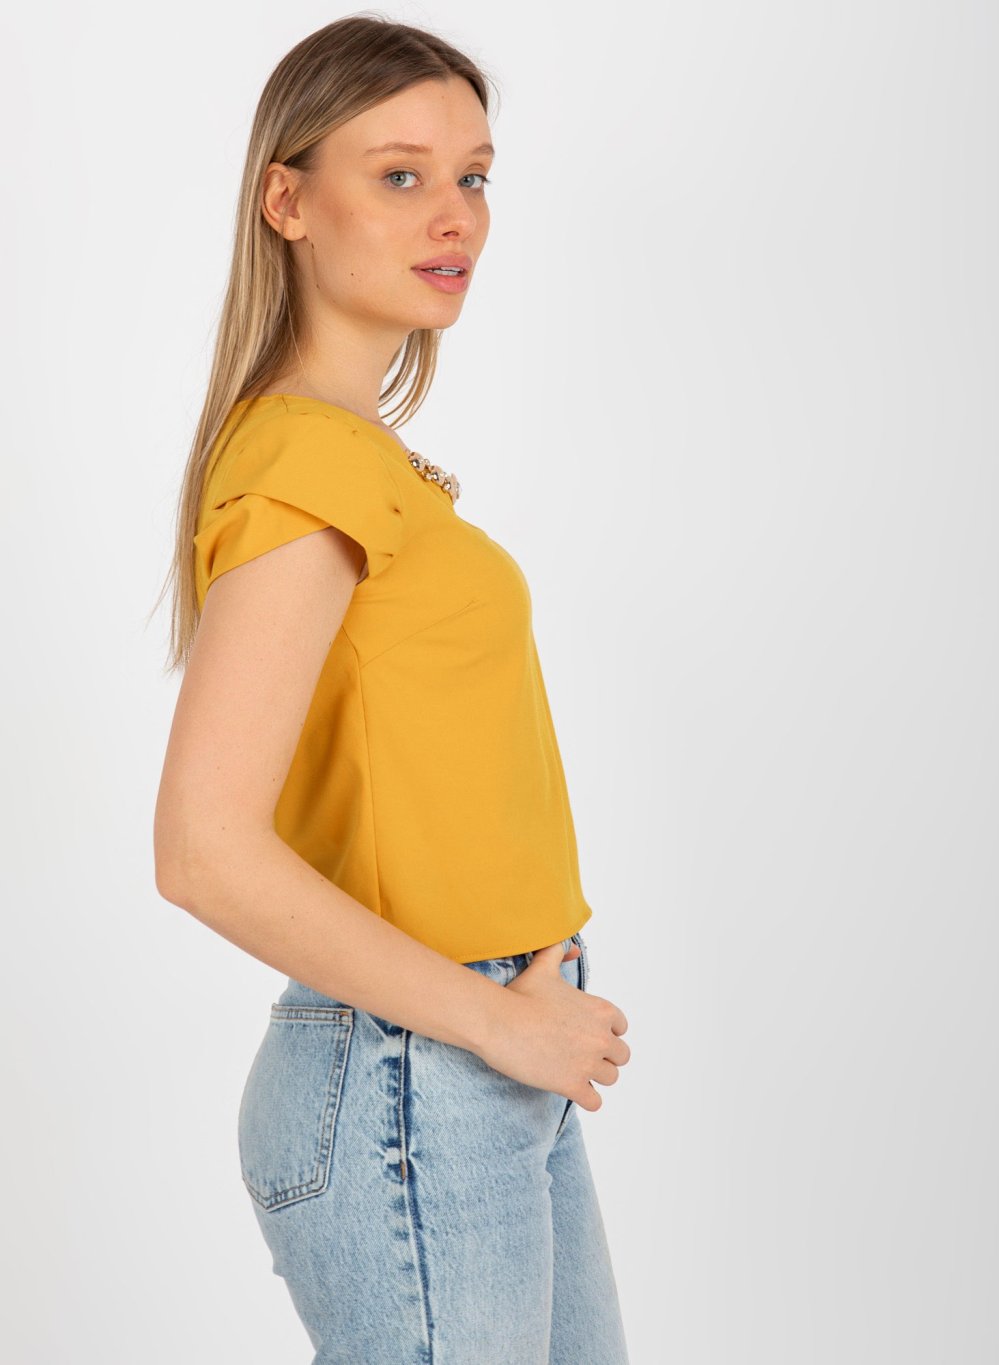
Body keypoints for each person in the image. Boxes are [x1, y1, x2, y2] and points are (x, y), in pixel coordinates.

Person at [152, 16, 630, 1363]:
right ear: (287, 200)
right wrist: (499, 1028)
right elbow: (201, 850)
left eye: (473, 176)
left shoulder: (357, 456)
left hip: (464, 1068)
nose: (455, 215)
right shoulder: (310, 465)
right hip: (417, 1077)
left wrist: (518, 1030)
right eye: (401, 174)